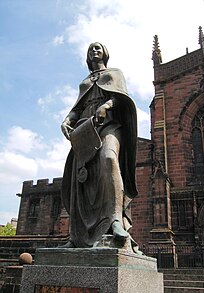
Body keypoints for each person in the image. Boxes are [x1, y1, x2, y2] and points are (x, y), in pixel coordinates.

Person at [61, 42, 138, 248]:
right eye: (90, 49)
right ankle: (75, 237)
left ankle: (115, 220)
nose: (94, 51)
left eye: (98, 48)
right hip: (84, 128)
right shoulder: (86, 81)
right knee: (81, 180)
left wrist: (106, 105)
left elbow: (121, 99)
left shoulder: (115, 73)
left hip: (109, 123)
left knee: (109, 158)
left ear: (105, 52)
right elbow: (78, 108)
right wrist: (67, 120)